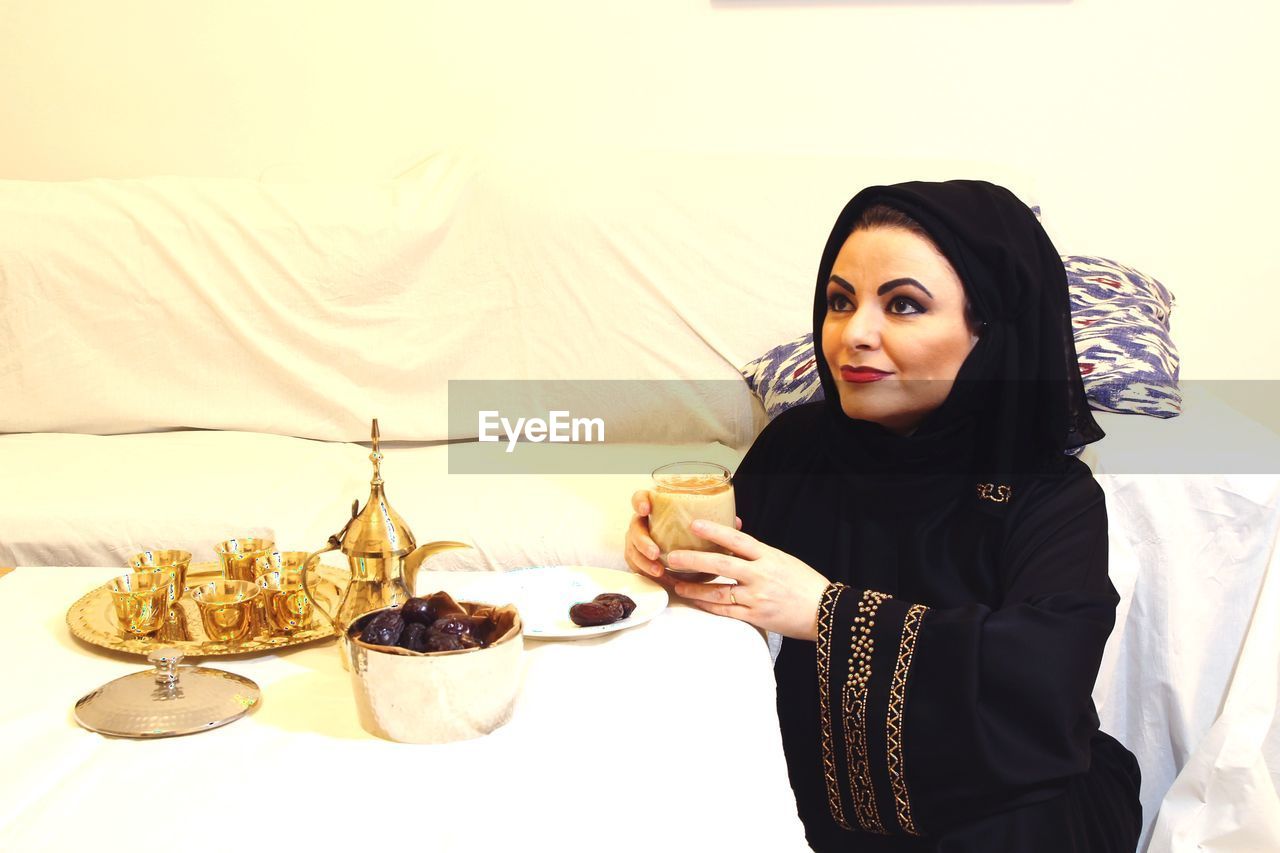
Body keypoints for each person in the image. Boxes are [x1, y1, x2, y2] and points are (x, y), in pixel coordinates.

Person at [625, 181, 1143, 852]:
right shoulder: (797, 449)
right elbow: (733, 575)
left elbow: (1045, 669)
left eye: (902, 304)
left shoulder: (1047, 491)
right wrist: (672, 552)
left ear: (988, 331)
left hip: (1008, 817)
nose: (853, 333)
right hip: (813, 813)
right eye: (840, 301)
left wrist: (823, 610)